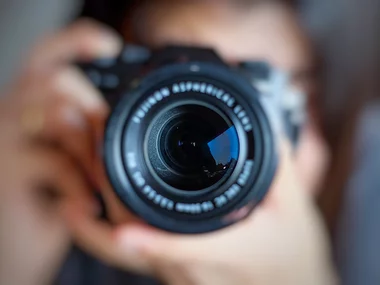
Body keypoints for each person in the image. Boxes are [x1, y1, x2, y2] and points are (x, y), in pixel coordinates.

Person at [0, 0, 377, 284]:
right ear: (113, 103)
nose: (223, 141)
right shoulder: (52, 217)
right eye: (173, 84)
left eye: (268, 100)